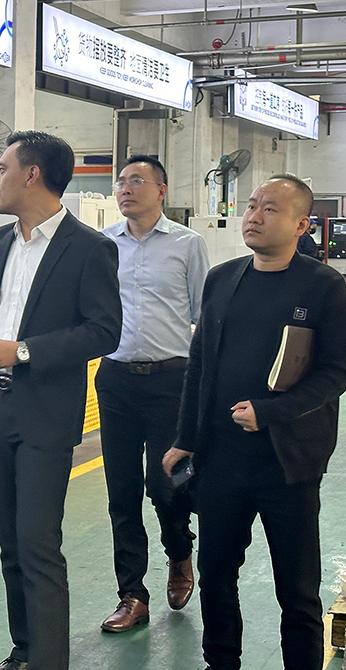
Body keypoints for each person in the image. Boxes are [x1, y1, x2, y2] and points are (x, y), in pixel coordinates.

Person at [0, 131, 122, 670]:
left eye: (2, 169)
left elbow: (104, 331)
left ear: (32, 175)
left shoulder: (89, 247)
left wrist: (27, 351)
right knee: (10, 543)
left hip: (44, 414)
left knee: (37, 544)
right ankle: (25, 649)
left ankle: (50, 661)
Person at [163, 175, 346, 670]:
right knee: (216, 577)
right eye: (251, 206)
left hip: (288, 465)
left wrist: (269, 413)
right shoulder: (222, 279)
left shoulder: (323, 286)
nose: (254, 216)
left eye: (270, 208)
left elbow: (338, 373)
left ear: (301, 225)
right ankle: (221, 662)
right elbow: (200, 365)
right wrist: (186, 438)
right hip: (222, 462)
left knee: (297, 589)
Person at [97, 156, 209, 632]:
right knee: (121, 490)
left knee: (168, 483)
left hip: (172, 381)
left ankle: (180, 552)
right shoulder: (103, 245)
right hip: (116, 380)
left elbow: (205, 316)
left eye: (137, 180)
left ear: (161, 190)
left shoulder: (188, 244)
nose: (126, 188)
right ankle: (132, 594)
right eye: (121, 181)